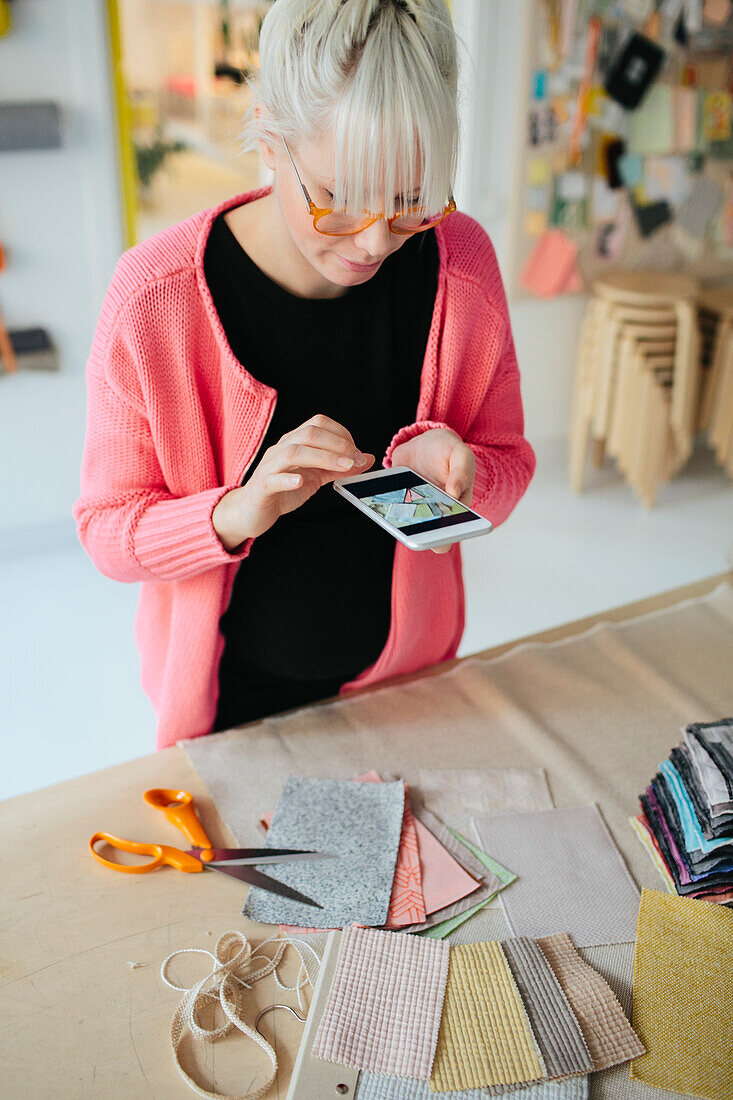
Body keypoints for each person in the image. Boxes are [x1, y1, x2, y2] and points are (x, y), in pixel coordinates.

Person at [73, 0, 536, 750]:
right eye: (336, 200)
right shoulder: (154, 301)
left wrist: (463, 476)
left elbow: (510, 466)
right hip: (231, 704)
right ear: (267, 134)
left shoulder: (461, 266)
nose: (375, 243)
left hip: (406, 684)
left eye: (412, 203)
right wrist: (236, 512)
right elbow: (105, 530)